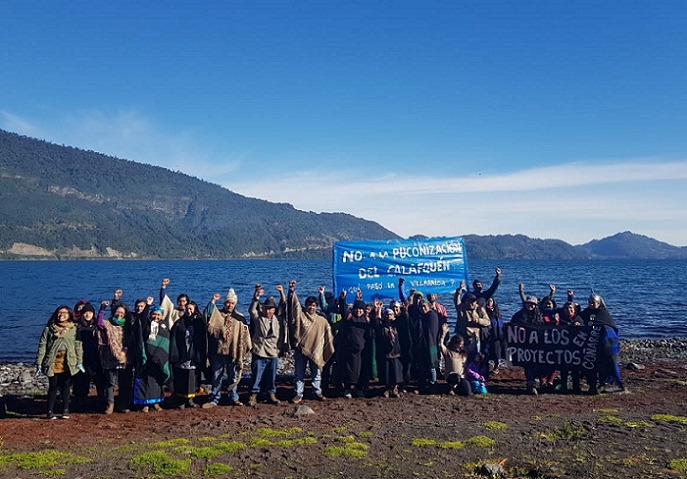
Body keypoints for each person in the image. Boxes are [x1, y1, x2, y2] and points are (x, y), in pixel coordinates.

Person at [287, 281, 335, 403]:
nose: (311, 307)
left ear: (317, 307)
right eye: (309, 305)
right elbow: (293, 306)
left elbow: (328, 336)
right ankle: (298, 394)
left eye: (314, 305)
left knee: (316, 373)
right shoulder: (301, 316)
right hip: (301, 349)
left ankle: (317, 392)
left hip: (316, 350)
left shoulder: (321, 320)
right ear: (306, 305)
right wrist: (291, 291)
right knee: (299, 373)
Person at [203, 288, 251, 408]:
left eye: (232, 303)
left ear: (235, 304)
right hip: (218, 352)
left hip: (233, 351)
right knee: (216, 376)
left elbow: (245, 334)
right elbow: (207, 316)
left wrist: (243, 349)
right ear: (224, 303)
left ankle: (233, 398)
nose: (230, 305)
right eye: (228, 303)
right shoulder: (217, 315)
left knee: (232, 376)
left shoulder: (239, 317)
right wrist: (213, 301)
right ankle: (214, 398)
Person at [36, 306, 83, 419]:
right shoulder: (49, 328)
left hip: (68, 361)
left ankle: (65, 410)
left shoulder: (74, 328)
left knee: (66, 386)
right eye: (59, 313)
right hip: (52, 361)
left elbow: (78, 346)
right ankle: (49, 411)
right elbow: (42, 345)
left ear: (69, 315)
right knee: (53, 386)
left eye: (65, 313)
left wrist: (79, 361)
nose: (62, 315)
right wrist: (39, 362)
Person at [246, 284, 287, 406]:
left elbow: (284, 306)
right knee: (256, 376)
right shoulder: (258, 318)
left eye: (271, 308)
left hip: (273, 352)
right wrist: (256, 296)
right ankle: (253, 395)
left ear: (274, 310)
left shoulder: (278, 320)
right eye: (266, 308)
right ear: (263, 308)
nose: (268, 311)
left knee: (271, 376)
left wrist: (282, 292)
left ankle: (271, 394)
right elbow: (251, 310)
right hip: (260, 352)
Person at [579, 292, 626, 394]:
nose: (591, 304)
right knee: (592, 365)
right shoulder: (586, 312)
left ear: (599, 303)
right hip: (592, 346)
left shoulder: (604, 313)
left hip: (607, 344)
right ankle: (593, 386)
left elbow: (610, 328)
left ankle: (615, 384)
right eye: (590, 302)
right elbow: (579, 318)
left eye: (594, 302)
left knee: (610, 364)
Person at [97, 300, 137, 414]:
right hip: (110, 357)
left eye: (122, 313)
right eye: (118, 312)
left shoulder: (128, 326)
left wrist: (124, 352)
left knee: (125, 382)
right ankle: (110, 404)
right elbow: (99, 323)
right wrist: (102, 309)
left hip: (124, 357)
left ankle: (123, 404)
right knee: (110, 382)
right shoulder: (108, 324)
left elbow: (129, 342)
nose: (119, 314)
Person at [169, 300, 207, 409]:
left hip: (193, 355)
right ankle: (180, 400)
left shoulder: (199, 323)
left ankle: (190, 399)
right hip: (182, 354)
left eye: (191, 309)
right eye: (187, 309)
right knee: (181, 377)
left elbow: (203, 340)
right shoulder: (179, 322)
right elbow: (174, 337)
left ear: (194, 310)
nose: (189, 311)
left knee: (192, 378)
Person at [133, 306, 171, 412]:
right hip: (146, 357)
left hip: (159, 359)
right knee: (144, 381)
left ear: (162, 316)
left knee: (157, 382)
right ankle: (144, 404)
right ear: (150, 315)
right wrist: (147, 306)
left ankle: (156, 402)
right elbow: (142, 321)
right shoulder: (146, 325)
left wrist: (160, 356)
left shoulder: (164, 326)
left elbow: (165, 342)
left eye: (158, 314)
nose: (156, 317)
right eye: (154, 314)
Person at [337, 290, 374, 398]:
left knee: (362, 371)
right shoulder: (349, 318)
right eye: (356, 308)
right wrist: (343, 298)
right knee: (349, 371)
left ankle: (359, 389)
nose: (358, 311)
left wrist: (359, 299)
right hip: (349, 350)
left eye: (360, 309)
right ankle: (348, 389)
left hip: (362, 351)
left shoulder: (366, 320)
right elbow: (343, 310)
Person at [510, 295, 545, 395]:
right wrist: (517, 328)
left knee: (539, 364)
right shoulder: (519, 315)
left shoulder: (540, 315)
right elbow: (511, 325)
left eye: (532, 304)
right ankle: (530, 383)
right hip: (524, 346)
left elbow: (546, 326)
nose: (530, 305)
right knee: (528, 364)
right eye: (528, 303)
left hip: (538, 345)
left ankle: (540, 382)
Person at [73, 302, 105, 412]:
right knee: (81, 380)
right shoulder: (77, 326)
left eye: (90, 312)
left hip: (95, 357)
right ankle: (81, 402)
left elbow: (101, 320)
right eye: (86, 312)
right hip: (81, 357)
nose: (88, 315)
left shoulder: (96, 326)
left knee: (98, 380)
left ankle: (101, 401)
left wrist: (102, 308)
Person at [372, 303, 404, 398]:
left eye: (390, 315)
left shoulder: (397, 324)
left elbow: (403, 319)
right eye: (386, 315)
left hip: (396, 352)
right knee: (386, 372)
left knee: (396, 373)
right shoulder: (382, 326)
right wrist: (378, 310)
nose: (388, 316)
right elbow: (377, 322)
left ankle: (395, 388)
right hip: (385, 353)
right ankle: (387, 389)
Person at [438, 323, 472, 396]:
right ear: (454, 344)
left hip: (462, 377)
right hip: (451, 376)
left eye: (462, 345)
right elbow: (440, 344)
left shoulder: (464, 352)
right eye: (460, 345)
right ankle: (451, 387)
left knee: (468, 392)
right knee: (456, 377)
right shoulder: (448, 352)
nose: (461, 347)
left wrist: (473, 335)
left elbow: (473, 346)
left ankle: (456, 389)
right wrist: (443, 333)